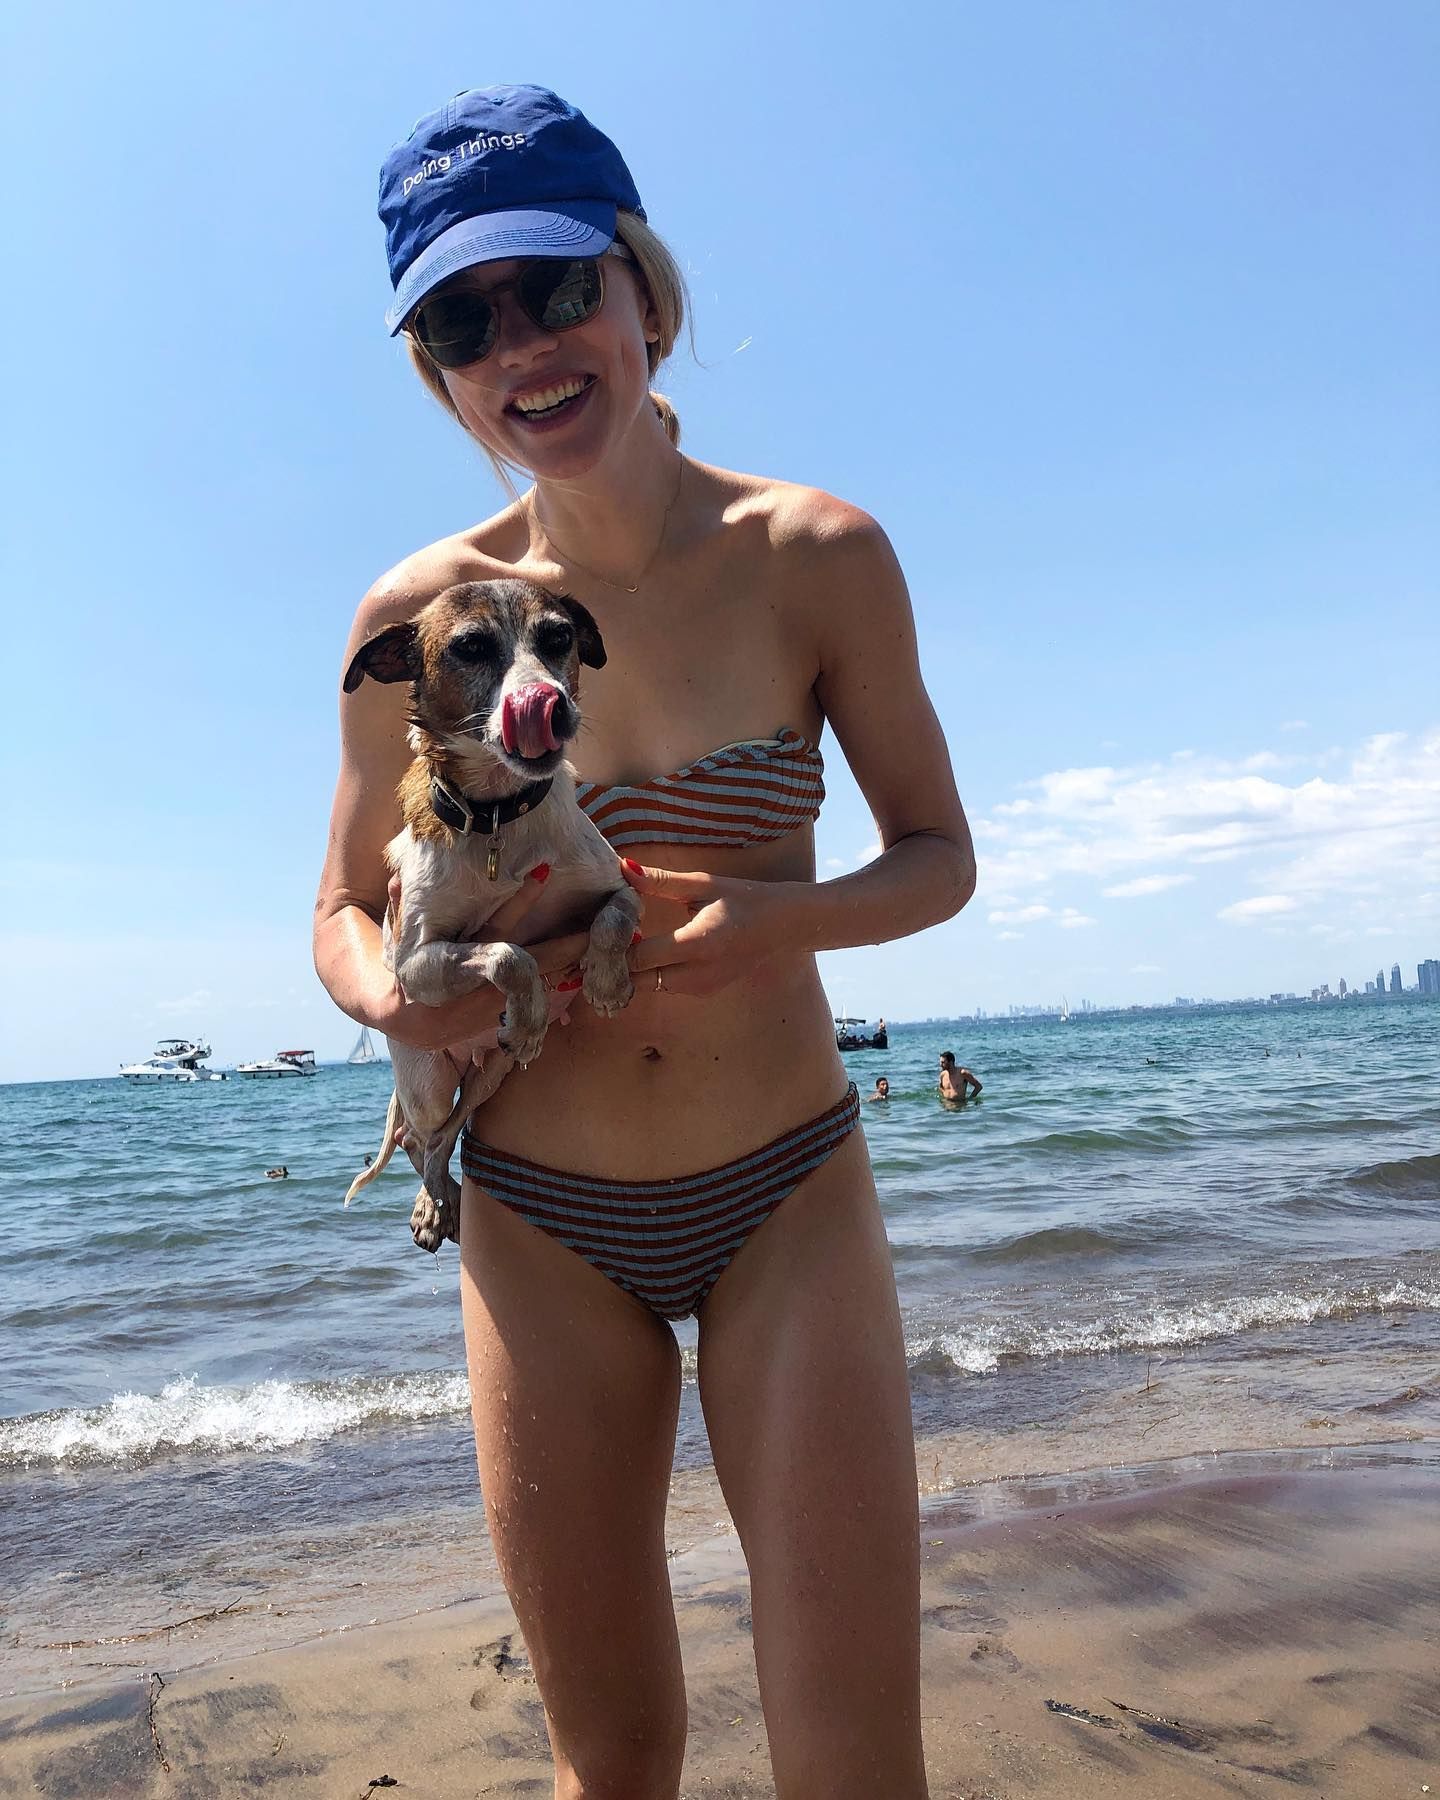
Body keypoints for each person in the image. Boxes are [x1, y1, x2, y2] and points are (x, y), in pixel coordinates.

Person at [314, 85, 974, 1799]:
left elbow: (941, 860)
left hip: (788, 1192)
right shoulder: (419, 618)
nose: (521, 347)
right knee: (612, 1764)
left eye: (555, 287)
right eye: (464, 323)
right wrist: (398, 1002)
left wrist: (780, 921)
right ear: (438, 374)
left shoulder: (817, 555)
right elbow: (338, 908)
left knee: (855, 1764)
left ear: (645, 293)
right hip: (542, 1225)